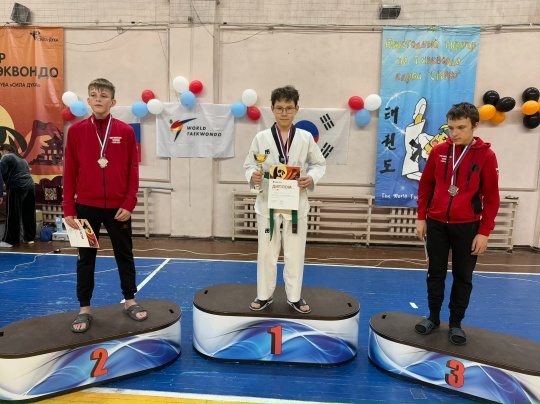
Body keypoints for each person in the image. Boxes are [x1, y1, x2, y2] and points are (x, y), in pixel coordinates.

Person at [63, 78, 147, 333]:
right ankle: (84, 308)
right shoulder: (75, 131)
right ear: (88, 100)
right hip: (85, 207)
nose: (98, 99)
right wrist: (69, 207)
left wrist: (129, 203)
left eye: (103, 95)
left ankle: (130, 300)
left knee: (124, 254)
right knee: (85, 258)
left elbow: (133, 171)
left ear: (113, 101)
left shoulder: (126, 131)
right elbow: (70, 171)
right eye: (94, 95)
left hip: (118, 209)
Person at [415, 102, 500, 345]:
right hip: (437, 223)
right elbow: (426, 186)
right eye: (451, 127)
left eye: (461, 127)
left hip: (467, 226)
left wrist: (484, 232)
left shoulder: (486, 156)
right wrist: (421, 217)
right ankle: (433, 317)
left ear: (475, 125)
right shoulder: (438, 151)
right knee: (435, 273)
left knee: (463, 277)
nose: (454, 133)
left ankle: (455, 324)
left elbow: (492, 198)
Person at [244, 85, 326, 314]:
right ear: (272, 108)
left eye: (289, 108)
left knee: (294, 253)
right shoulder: (261, 138)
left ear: (297, 109)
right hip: (268, 203)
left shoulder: (305, 138)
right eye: (279, 108)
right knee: (266, 253)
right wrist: (253, 175)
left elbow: (319, 164)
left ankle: (294, 296)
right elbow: (250, 164)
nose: (284, 113)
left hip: (296, 203)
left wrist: (311, 178)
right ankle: (264, 295)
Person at [0, 144, 36, 247]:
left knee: (13, 214)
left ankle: (10, 241)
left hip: (17, 187)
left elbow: (0, 174)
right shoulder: (22, 159)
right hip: (30, 187)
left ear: (4, 150)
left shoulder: (6, 157)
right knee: (29, 214)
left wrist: (0, 192)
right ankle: (29, 238)